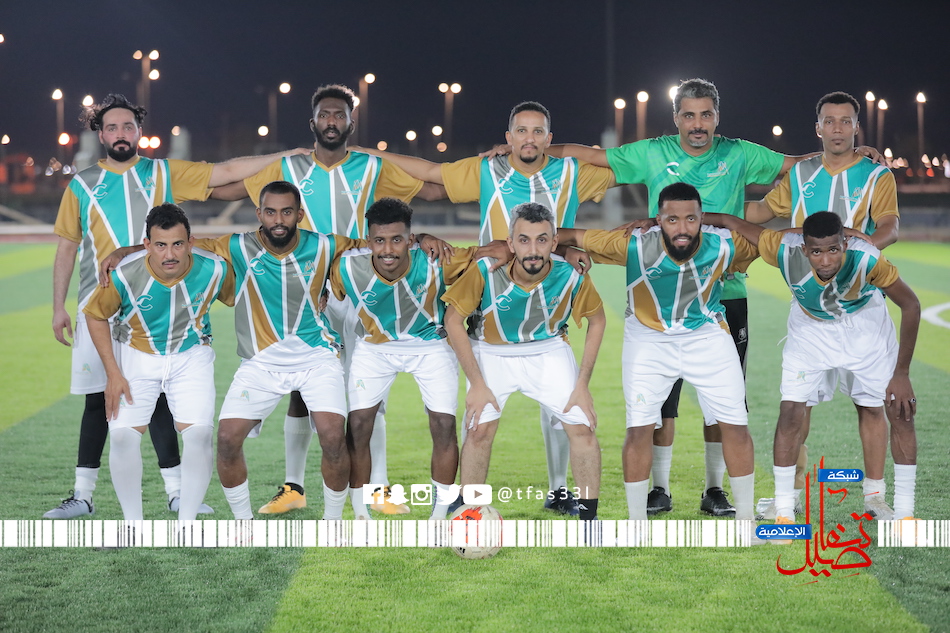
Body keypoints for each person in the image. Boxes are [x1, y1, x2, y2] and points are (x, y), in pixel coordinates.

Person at [546, 78, 853, 517]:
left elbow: (796, 166)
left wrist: (849, 154)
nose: (697, 124)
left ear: (717, 117)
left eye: (705, 114)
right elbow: (592, 156)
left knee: (723, 405)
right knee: (661, 406)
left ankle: (715, 489)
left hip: (725, 293)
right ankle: (659, 488)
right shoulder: (653, 152)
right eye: (688, 115)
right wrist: (537, 148)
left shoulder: (739, 153)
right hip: (660, 284)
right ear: (676, 118)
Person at [48, 93, 304, 519]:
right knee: (99, 401)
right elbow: (66, 247)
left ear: (139, 131)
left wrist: (286, 157)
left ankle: (177, 493)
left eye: (128, 126)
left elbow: (224, 173)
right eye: (112, 127)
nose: (120, 133)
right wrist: (58, 306)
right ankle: (83, 495)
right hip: (101, 303)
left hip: (162, 301)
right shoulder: (82, 184)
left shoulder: (162, 173)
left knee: (165, 399)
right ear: (101, 134)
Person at [360, 101, 617, 515]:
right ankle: (471, 509)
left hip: (548, 297)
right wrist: (366, 153)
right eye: (521, 131)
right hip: (493, 300)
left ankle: (569, 499)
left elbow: (628, 166)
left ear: (550, 139)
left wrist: (569, 244)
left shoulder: (572, 172)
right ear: (508, 136)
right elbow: (430, 172)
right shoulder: (487, 171)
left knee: (569, 417)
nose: (529, 139)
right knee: (479, 427)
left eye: (538, 132)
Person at [213, 84, 446, 516]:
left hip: (358, 287)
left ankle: (377, 489)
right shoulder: (288, 166)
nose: (332, 121)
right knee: (301, 391)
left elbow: (432, 187)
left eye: (340, 115)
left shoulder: (372, 166)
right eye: (325, 115)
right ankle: (294, 487)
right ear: (313, 122)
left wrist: (422, 233)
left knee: (367, 391)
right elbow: (223, 186)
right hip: (306, 290)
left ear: (351, 123)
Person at [556, 182, 759, 523]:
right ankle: (636, 523)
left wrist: (726, 219)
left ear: (702, 219)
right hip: (648, 340)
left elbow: (775, 242)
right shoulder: (633, 244)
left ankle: (747, 522)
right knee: (639, 429)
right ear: (658, 220)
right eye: (672, 219)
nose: (682, 229)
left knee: (736, 426)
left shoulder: (725, 244)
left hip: (707, 337)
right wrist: (563, 250)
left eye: (691, 219)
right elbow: (560, 234)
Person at [702, 211, 919, 524]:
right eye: (816, 252)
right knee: (791, 411)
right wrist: (662, 220)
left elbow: (911, 304)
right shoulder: (782, 249)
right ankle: (784, 509)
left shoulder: (867, 258)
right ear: (804, 249)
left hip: (865, 327)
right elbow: (731, 221)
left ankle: (888, 504)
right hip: (810, 330)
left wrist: (902, 374)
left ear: (845, 244)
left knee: (891, 409)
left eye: (833, 250)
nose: (826, 260)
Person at [744, 91, 901, 519]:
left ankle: (874, 498)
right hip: (810, 313)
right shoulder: (801, 174)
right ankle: (789, 497)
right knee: (796, 408)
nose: (837, 129)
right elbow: (761, 213)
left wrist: (865, 245)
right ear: (818, 128)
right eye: (829, 121)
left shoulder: (876, 174)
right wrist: (705, 206)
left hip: (862, 308)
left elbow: (890, 226)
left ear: (856, 127)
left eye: (845, 121)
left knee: (870, 405)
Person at [329, 198, 501, 520]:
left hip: (430, 346)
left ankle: (439, 516)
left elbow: (493, 252)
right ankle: (361, 513)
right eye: (379, 240)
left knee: (443, 425)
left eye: (397, 239)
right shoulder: (345, 268)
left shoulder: (437, 261)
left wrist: (502, 250)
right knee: (359, 425)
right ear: (368, 241)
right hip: (374, 348)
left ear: (410, 240)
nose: (388, 250)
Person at [442, 202, 606, 522]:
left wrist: (582, 385)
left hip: (548, 349)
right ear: (511, 242)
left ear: (554, 242)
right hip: (491, 351)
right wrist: (477, 384)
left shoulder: (570, 275)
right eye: (524, 240)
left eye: (542, 240)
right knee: (479, 430)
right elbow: (453, 320)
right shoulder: (485, 271)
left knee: (582, 427)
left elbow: (597, 320)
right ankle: (472, 513)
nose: (533, 250)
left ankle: (590, 521)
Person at [83, 204, 232, 520]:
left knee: (199, 435)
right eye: (161, 245)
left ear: (190, 243)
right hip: (136, 355)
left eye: (178, 244)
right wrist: (113, 373)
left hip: (192, 356)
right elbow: (95, 315)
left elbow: (244, 296)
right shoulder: (123, 274)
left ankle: (187, 525)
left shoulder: (215, 270)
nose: (170, 254)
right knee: (122, 437)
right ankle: (133, 527)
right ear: (147, 245)